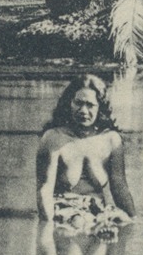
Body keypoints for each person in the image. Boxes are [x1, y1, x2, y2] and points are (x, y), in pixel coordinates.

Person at [36, 74, 135, 235]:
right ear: (69, 103)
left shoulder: (111, 140)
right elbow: (44, 190)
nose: (83, 110)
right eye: (78, 103)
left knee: (122, 221)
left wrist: (133, 222)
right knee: (79, 223)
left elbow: (120, 187)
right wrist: (46, 233)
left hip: (99, 212)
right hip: (67, 216)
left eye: (90, 105)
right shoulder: (53, 138)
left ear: (100, 107)